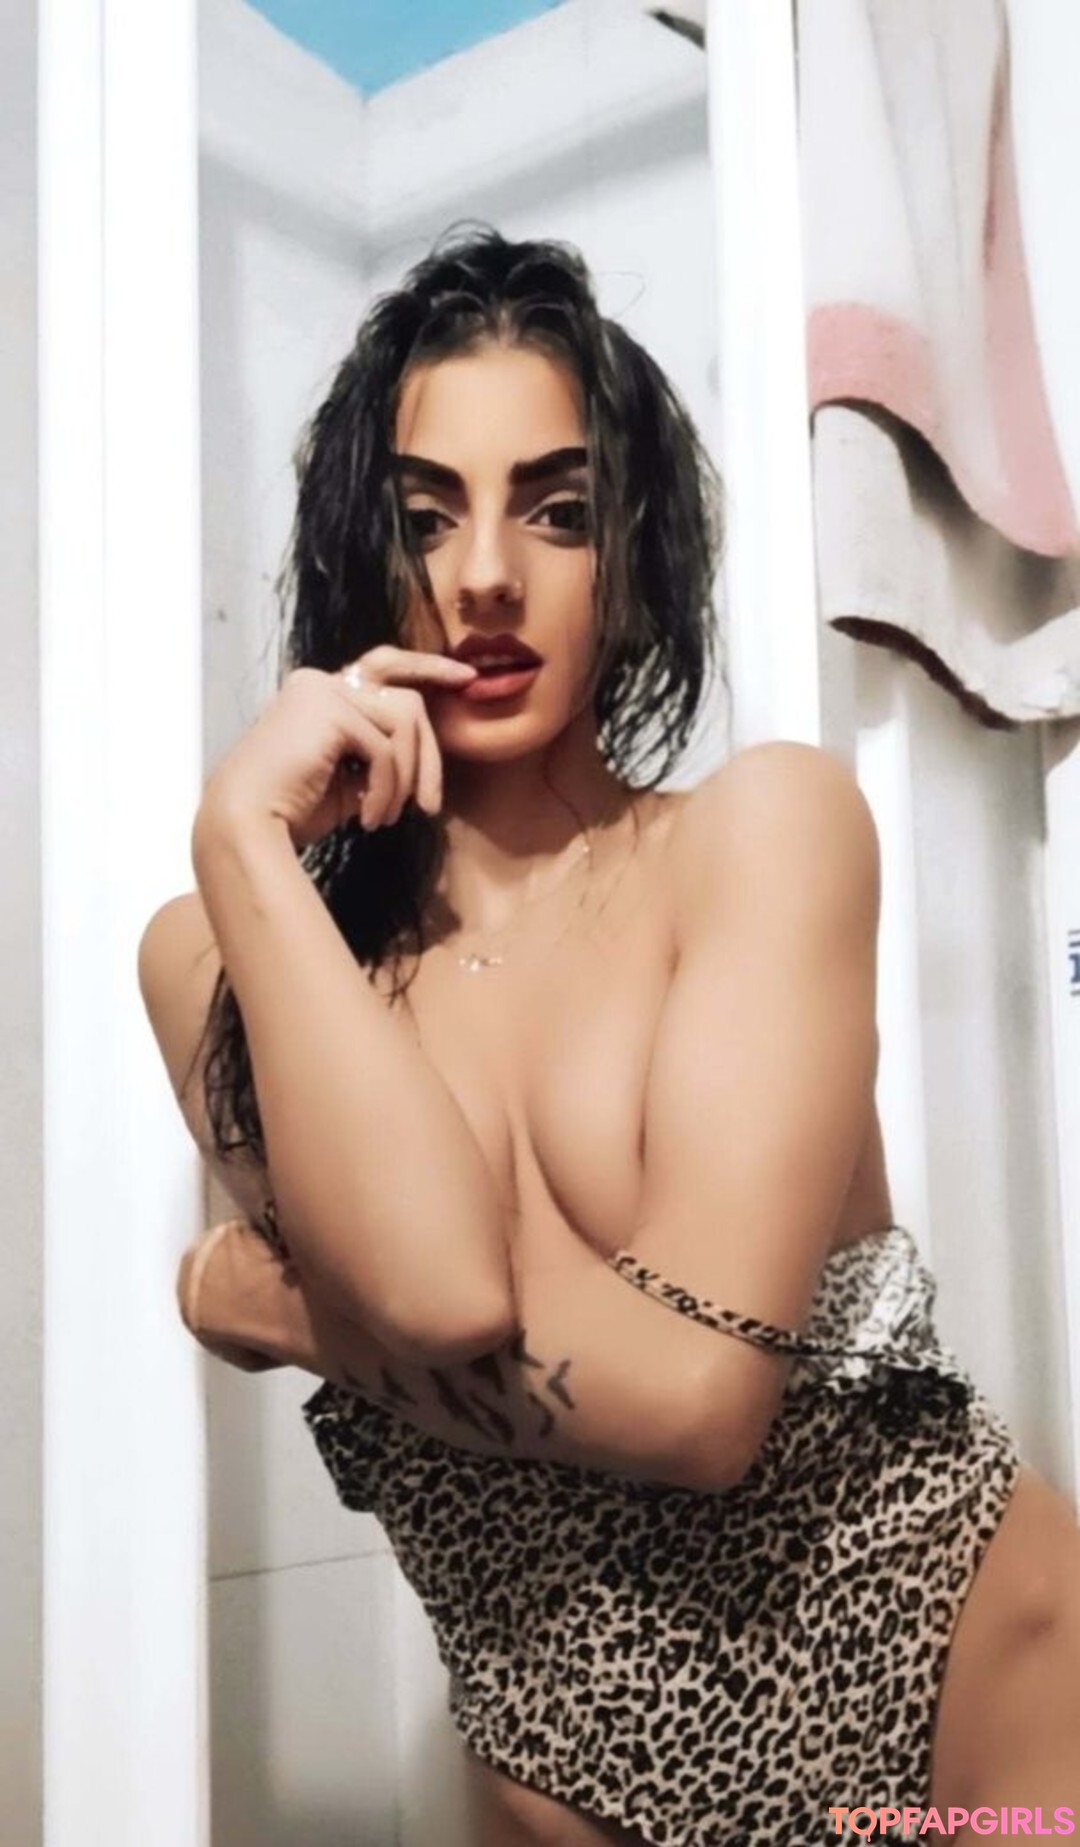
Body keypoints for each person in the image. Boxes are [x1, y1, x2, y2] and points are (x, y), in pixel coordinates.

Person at [139, 229, 1080, 1847]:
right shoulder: (231, 959)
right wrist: (240, 835)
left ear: (630, 547)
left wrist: (284, 1305)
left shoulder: (764, 836)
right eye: (426, 516)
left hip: (974, 1750)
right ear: (357, 551)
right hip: (567, 1798)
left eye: (558, 510)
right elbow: (442, 1292)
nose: (488, 576)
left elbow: (702, 1402)